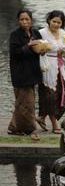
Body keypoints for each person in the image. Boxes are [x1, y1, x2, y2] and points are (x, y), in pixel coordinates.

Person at [7, 9, 44, 141]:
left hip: (32, 72)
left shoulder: (36, 33)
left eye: (27, 19)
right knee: (27, 103)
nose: (24, 22)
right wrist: (28, 45)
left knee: (23, 102)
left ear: (31, 20)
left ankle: (14, 127)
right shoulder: (15, 35)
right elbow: (15, 53)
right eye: (22, 19)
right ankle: (28, 129)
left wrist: (42, 49)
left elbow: (40, 48)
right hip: (20, 73)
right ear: (18, 21)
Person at [37, 10, 65, 134]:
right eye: (54, 21)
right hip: (47, 65)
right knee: (49, 94)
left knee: (61, 93)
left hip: (59, 66)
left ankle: (42, 117)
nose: (56, 24)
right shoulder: (41, 33)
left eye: (59, 22)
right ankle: (55, 123)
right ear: (49, 20)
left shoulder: (63, 33)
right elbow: (37, 49)